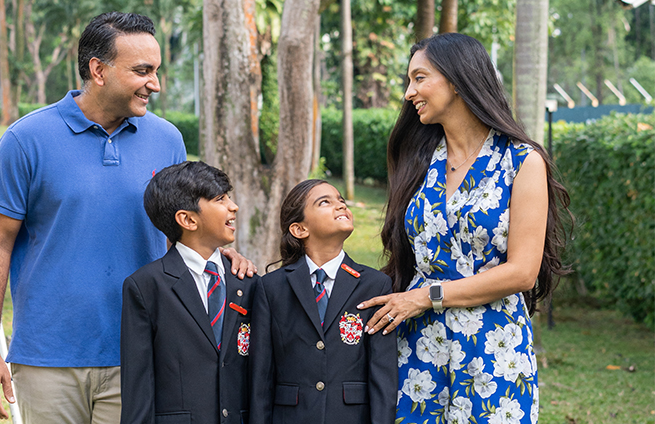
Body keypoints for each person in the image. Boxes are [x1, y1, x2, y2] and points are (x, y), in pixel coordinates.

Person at [0, 12, 255, 423]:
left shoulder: (167, 139)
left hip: (143, 351)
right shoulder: (25, 140)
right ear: (98, 70)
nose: (154, 84)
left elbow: (184, 228)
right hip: (49, 358)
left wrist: (218, 256)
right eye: (142, 71)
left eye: (156, 71)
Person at [357, 33, 572, 424]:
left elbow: (523, 271)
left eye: (419, 78)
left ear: (456, 80)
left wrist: (426, 297)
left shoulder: (522, 162)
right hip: (419, 349)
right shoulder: (418, 160)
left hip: (495, 350)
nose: (409, 92)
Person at [249, 179, 398, 424]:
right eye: (325, 202)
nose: (340, 206)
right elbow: (260, 377)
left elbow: (383, 376)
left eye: (341, 200)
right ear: (299, 229)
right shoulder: (271, 287)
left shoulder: (375, 285)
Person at [120, 161, 257, 424]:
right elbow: (138, 383)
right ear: (188, 219)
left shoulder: (247, 281)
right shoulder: (146, 286)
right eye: (220, 199)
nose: (233, 206)